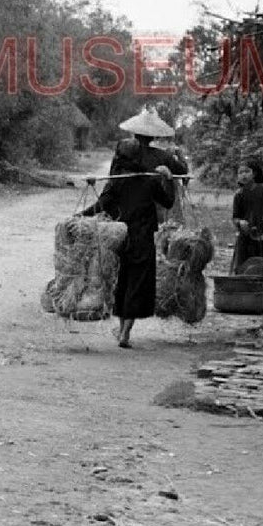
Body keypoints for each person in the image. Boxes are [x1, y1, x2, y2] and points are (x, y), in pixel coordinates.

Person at [79, 108, 189, 349]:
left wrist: (79, 216)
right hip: (142, 235)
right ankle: (126, 331)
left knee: (123, 280)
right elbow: (169, 201)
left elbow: (103, 203)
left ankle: (121, 329)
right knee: (138, 282)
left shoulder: (117, 178)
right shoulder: (151, 175)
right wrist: (168, 179)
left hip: (118, 235)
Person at [231, 157, 263, 273]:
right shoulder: (239, 195)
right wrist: (240, 223)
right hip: (246, 236)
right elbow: (235, 217)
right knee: (243, 266)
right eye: (240, 172)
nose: (243, 175)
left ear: (254, 173)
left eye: (247, 171)